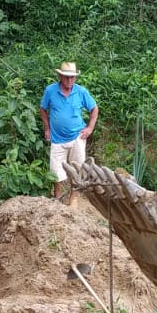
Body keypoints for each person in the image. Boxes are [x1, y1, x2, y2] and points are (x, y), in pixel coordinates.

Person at [39, 61, 98, 205]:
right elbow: (42, 108)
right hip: (57, 139)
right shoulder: (51, 91)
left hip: (77, 137)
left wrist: (90, 128)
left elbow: (94, 108)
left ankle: (74, 198)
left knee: (77, 168)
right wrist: (47, 128)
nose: (70, 80)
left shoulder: (81, 91)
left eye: (73, 77)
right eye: (66, 77)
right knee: (55, 170)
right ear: (60, 76)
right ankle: (57, 196)